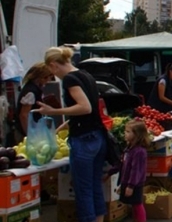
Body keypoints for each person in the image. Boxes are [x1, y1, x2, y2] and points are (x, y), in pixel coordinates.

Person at [37, 47, 107, 222]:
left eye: (51, 71)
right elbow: (92, 110)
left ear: (53, 65)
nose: (54, 76)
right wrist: (66, 124)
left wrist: (54, 111)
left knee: (83, 189)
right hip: (97, 135)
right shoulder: (86, 75)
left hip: (83, 139)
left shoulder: (69, 79)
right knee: (95, 185)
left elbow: (85, 107)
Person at [13, 62, 53, 145]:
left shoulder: (34, 89)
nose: (49, 80)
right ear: (41, 77)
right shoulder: (31, 92)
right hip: (25, 131)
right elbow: (24, 115)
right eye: (48, 77)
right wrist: (29, 135)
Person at [118, 120, 149, 222]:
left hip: (135, 183)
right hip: (127, 181)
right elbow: (123, 163)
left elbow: (136, 170)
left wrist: (130, 186)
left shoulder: (139, 152)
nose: (125, 134)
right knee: (133, 205)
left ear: (137, 135)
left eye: (128, 132)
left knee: (137, 204)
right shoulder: (129, 148)